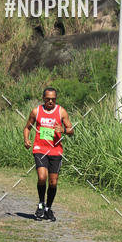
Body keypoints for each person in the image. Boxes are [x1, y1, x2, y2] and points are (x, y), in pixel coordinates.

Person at [23, 87, 74, 222]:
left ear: (55, 99)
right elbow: (28, 127)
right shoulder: (36, 111)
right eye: (48, 99)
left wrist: (63, 130)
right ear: (43, 98)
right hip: (40, 148)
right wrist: (26, 139)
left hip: (55, 150)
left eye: (53, 99)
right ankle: (40, 204)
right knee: (41, 177)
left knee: (53, 182)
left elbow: (71, 130)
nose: (50, 101)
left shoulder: (61, 111)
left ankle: (48, 208)